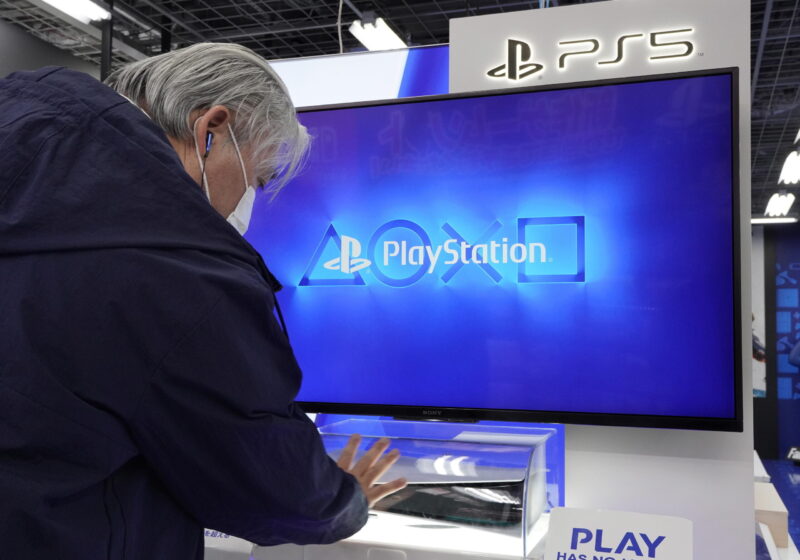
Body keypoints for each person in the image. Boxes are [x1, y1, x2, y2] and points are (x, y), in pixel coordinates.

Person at [0, 43, 406, 559]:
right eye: (257, 178)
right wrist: (345, 503)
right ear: (212, 129)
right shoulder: (176, 266)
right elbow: (263, 484)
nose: (248, 202)